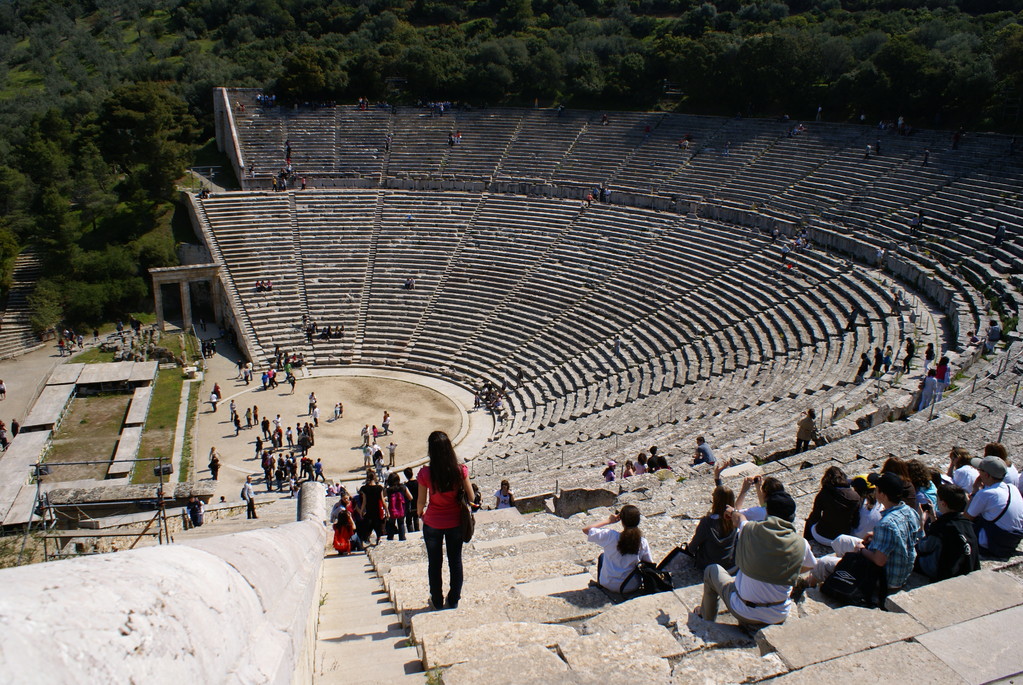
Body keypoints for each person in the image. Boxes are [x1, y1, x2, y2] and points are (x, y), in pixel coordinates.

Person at [696, 491, 814, 629]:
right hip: (778, 614)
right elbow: (810, 565)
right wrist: (782, 570)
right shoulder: (802, 544)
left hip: (744, 610)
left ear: (767, 513)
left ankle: (706, 621)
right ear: (792, 517)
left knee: (711, 571)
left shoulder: (750, 530)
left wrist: (732, 511)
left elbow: (739, 520)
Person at [418, 431, 473, 610]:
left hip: (433, 522)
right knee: (455, 561)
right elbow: (472, 497)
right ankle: (454, 598)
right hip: (456, 522)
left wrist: (421, 514)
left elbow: (420, 502)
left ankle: (437, 600)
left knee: (434, 563)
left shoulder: (425, 473)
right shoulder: (460, 471)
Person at [915, 483, 980, 581]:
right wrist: (933, 518)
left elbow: (923, 547)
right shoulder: (966, 523)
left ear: (943, 503)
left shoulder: (943, 527)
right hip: (966, 566)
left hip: (944, 571)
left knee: (914, 555)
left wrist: (921, 526)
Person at [582, 505, 653, 593]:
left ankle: (600, 584)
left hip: (607, 583)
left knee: (602, 557)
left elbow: (586, 530)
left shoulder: (610, 536)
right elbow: (649, 564)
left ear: (621, 520)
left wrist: (609, 521)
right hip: (631, 586)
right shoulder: (642, 542)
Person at [965, 456, 1023, 558]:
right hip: (1012, 541)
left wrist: (974, 491)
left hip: (993, 543)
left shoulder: (986, 494)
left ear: (986, 474)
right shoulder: (1012, 488)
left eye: (980, 470)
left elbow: (966, 518)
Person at [680, 486, 738, 571]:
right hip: (731, 565)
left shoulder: (707, 523)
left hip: (711, 567)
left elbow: (693, 546)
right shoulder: (735, 519)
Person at [803, 466, 860, 545]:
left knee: (809, 521)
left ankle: (807, 543)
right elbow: (856, 521)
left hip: (822, 537)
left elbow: (815, 515)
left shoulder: (824, 493)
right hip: (843, 538)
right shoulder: (855, 496)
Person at [358, 470, 387, 546]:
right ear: (375, 477)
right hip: (377, 511)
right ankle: (378, 539)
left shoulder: (364, 488)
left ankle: (367, 540)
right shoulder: (379, 488)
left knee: (368, 526)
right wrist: (387, 511)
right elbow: (383, 501)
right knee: (378, 527)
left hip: (369, 511)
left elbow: (364, 502)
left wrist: (361, 511)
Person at [385, 472, 413, 541]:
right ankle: (402, 537)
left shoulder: (389, 490)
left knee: (391, 524)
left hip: (392, 509)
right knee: (401, 523)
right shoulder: (403, 487)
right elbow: (410, 497)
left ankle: (390, 537)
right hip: (401, 508)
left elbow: (382, 495)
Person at [403, 467, 420, 533]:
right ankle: (417, 531)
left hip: (409, 506)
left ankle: (411, 533)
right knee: (416, 519)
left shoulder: (406, 485)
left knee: (409, 522)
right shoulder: (418, 483)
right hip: (417, 504)